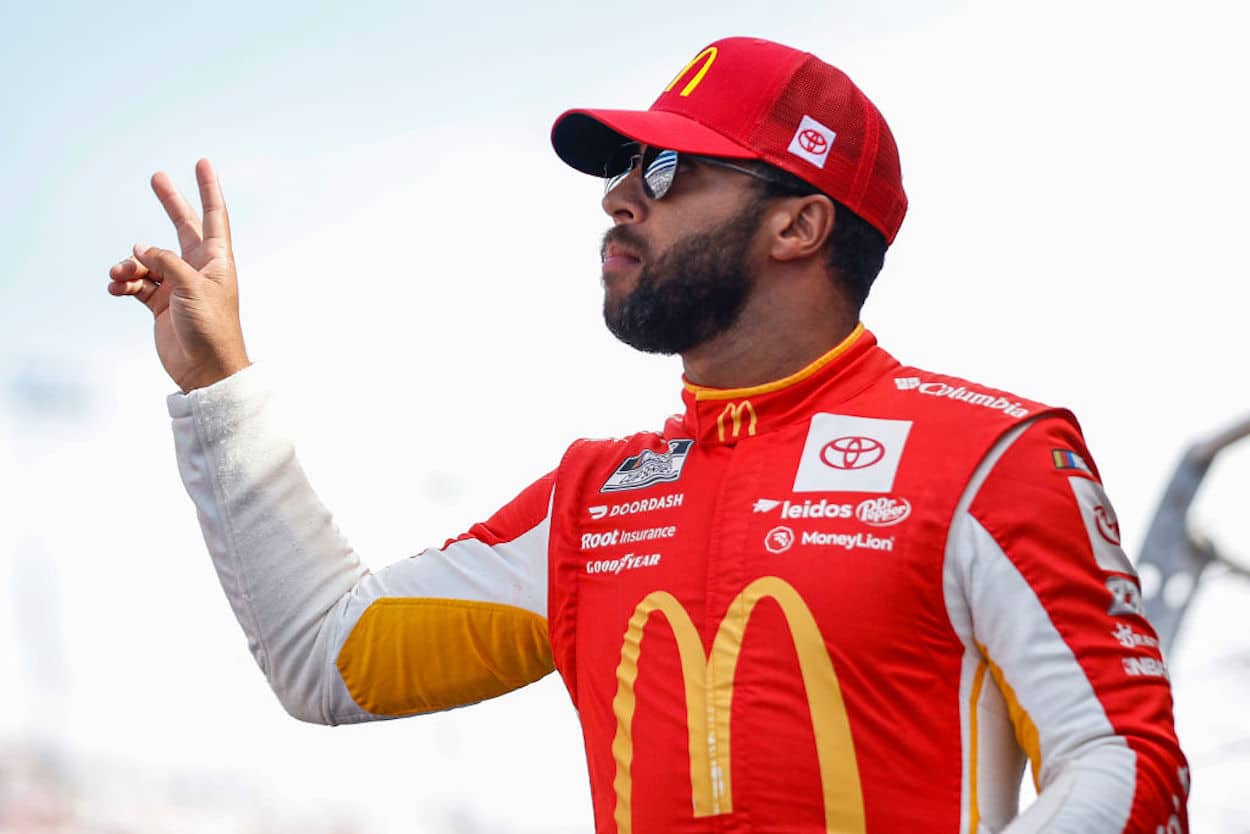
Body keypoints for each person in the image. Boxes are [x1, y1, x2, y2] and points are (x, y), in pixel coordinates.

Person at [107, 36, 1188, 834]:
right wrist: (218, 390)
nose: (618, 199)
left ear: (798, 224)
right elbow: (326, 659)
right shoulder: (597, 495)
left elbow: (1123, 765)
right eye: (622, 170)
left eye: (665, 172)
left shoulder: (990, 455)